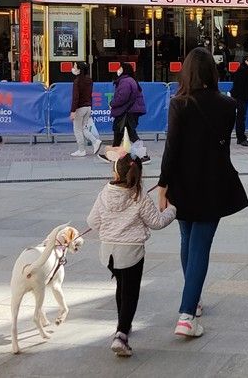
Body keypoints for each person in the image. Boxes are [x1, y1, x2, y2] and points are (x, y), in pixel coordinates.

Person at [156, 47, 248, 338]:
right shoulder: (228, 104)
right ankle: (186, 315)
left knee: (188, 240)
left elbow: (172, 148)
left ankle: (192, 303)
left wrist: (163, 186)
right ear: (212, 72)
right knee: (200, 246)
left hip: (182, 183)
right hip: (213, 182)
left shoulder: (179, 103)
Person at [87, 151, 177, 357]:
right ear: (139, 174)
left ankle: (123, 326)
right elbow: (157, 222)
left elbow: (92, 222)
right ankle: (121, 335)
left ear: (115, 173)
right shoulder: (139, 196)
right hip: (131, 252)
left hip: (108, 253)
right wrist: (171, 210)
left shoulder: (105, 193)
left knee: (121, 287)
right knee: (130, 293)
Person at [107, 63, 150, 164]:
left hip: (127, 111)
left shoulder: (125, 81)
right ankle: (113, 154)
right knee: (120, 132)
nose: (118, 70)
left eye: (120, 68)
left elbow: (122, 97)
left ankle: (143, 155)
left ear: (124, 69)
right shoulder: (130, 80)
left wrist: (112, 103)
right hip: (129, 111)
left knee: (129, 133)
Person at [70, 62, 99, 156]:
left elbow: (75, 97)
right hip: (88, 107)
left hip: (80, 108)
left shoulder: (77, 81)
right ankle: (95, 141)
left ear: (79, 69)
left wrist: (73, 110)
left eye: (75, 66)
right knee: (84, 128)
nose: (73, 68)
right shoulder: (89, 80)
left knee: (77, 129)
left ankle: (81, 150)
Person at [230, 54, 248, 147]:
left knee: (241, 118)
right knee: (240, 118)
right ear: (246, 61)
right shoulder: (243, 71)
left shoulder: (245, 70)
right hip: (240, 97)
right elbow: (244, 87)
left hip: (241, 97)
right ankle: (241, 138)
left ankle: (241, 137)